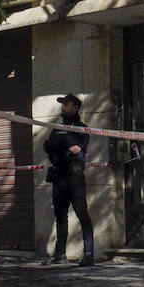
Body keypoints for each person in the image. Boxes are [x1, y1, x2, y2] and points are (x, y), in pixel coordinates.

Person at [44, 93, 94, 266]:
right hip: (59, 179)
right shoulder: (57, 129)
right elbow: (47, 146)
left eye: (66, 104)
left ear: (75, 107)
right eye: (62, 105)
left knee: (83, 215)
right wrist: (66, 147)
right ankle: (60, 254)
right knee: (60, 218)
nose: (63, 108)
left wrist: (61, 147)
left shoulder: (83, 129)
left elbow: (79, 152)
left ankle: (89, 254)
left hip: (75, 178)